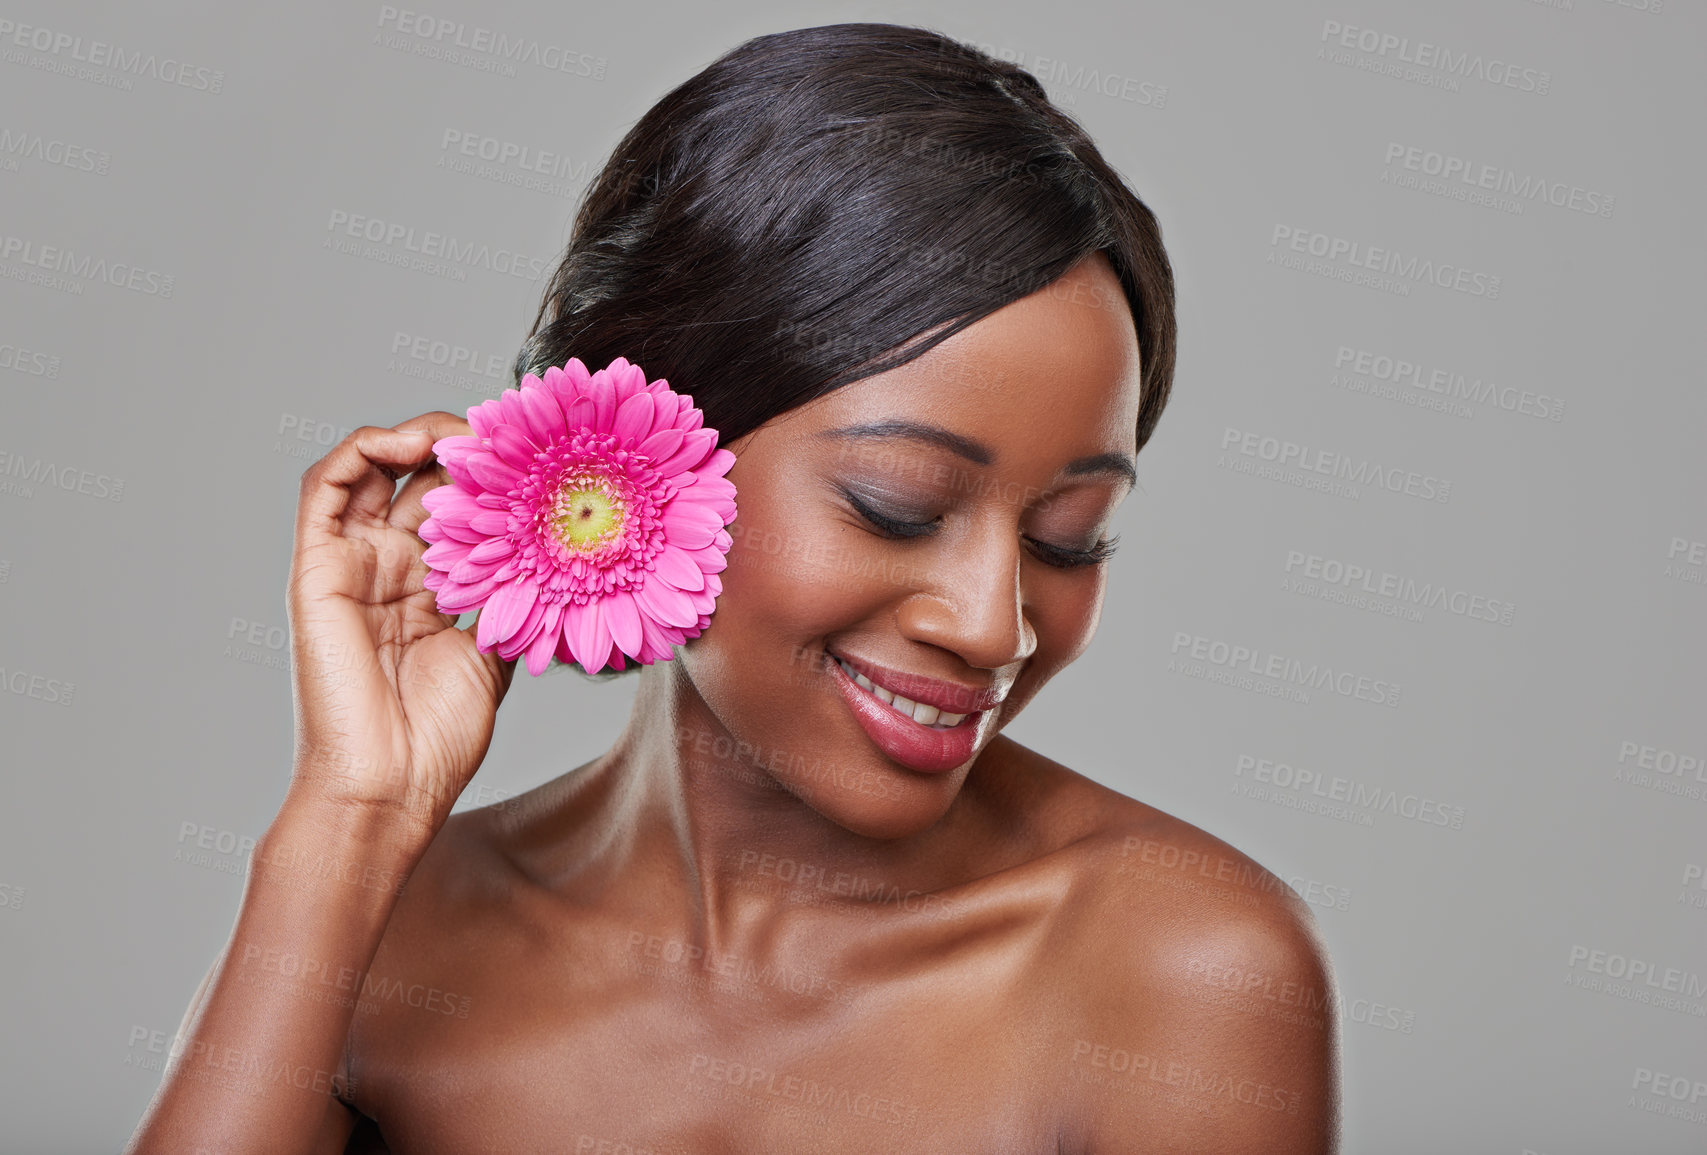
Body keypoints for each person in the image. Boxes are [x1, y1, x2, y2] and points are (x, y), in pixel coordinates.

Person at [126, 22, 1338, 1154]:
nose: (991, 624)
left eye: (1072, 537)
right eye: (897, 506)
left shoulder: (1182, 972)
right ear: (628, 448)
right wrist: (349, 823)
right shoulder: (382, 938)